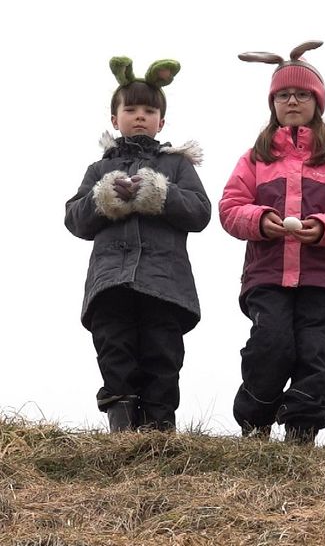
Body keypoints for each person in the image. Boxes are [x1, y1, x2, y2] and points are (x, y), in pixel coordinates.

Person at [219, 41, 325, 444]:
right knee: (270, 345)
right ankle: (255, 424)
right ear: (272, 103)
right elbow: (231, 207)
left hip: (322, 280)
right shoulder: (255, 157)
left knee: (315, 354)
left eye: (302, 94)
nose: (292, 100)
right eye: (283, 94)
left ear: (316, 102)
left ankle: (302, 432)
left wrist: (322, 228)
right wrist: (262, 221)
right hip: (267, 277)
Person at [65, 56, 211, 432]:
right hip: (110, 282)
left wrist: (160, 193)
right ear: (115, 119)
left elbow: (200, 212)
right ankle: (122, 429)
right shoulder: (99, 169)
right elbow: (74, 218)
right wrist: (103, 198)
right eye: (130, 109)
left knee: (162, 356)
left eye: (150, 109)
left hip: (165, 284)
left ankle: (159, 432)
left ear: (162, 120)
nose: (140, 116)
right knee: (115, 352)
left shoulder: (178, 166)